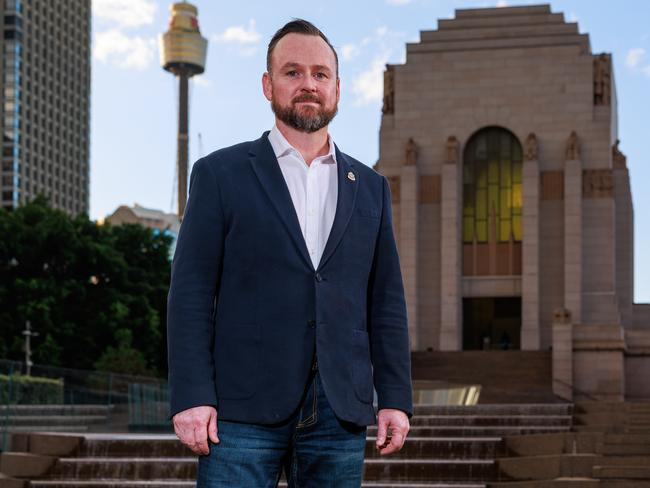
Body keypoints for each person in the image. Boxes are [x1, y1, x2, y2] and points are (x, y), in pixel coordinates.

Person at [167, 19, 413, 487]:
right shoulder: (220, 174)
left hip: (339, 409)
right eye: (293, 72)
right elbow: (191, 294)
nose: (308, 85)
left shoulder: (372, 189)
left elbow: (386, 302)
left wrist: (396, 397)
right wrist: (191, 395)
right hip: (240, 410)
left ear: (338, 89)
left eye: (320, 74)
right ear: (268, 84)